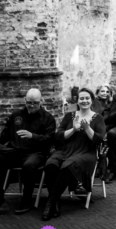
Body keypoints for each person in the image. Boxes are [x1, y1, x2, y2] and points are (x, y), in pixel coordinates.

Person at [0, 89, 56, 217]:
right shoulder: (16, 115)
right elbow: (6, 137)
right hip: (15, 151)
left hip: (36, 153)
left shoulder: (47, 118)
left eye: (35, 102)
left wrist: (32, 136)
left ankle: (26, 199)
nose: (32, 105)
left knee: (29, 165)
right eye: (29, 102)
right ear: (25, 100)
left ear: (41, 101)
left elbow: (50, 139)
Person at [42, 88, 105, 220]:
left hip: (86, 152)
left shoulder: (98, 118)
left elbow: (98, 139)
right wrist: (73, 129)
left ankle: (50, 202)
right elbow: (58, 135)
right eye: (81, 98)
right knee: (51, 164)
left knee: (68, 165)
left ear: (92, 100)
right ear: (77, 100)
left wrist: (87, 128)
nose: (84, 101)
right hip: (66, 150)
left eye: (87, 98)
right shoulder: (69, 116)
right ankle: (56, 201)